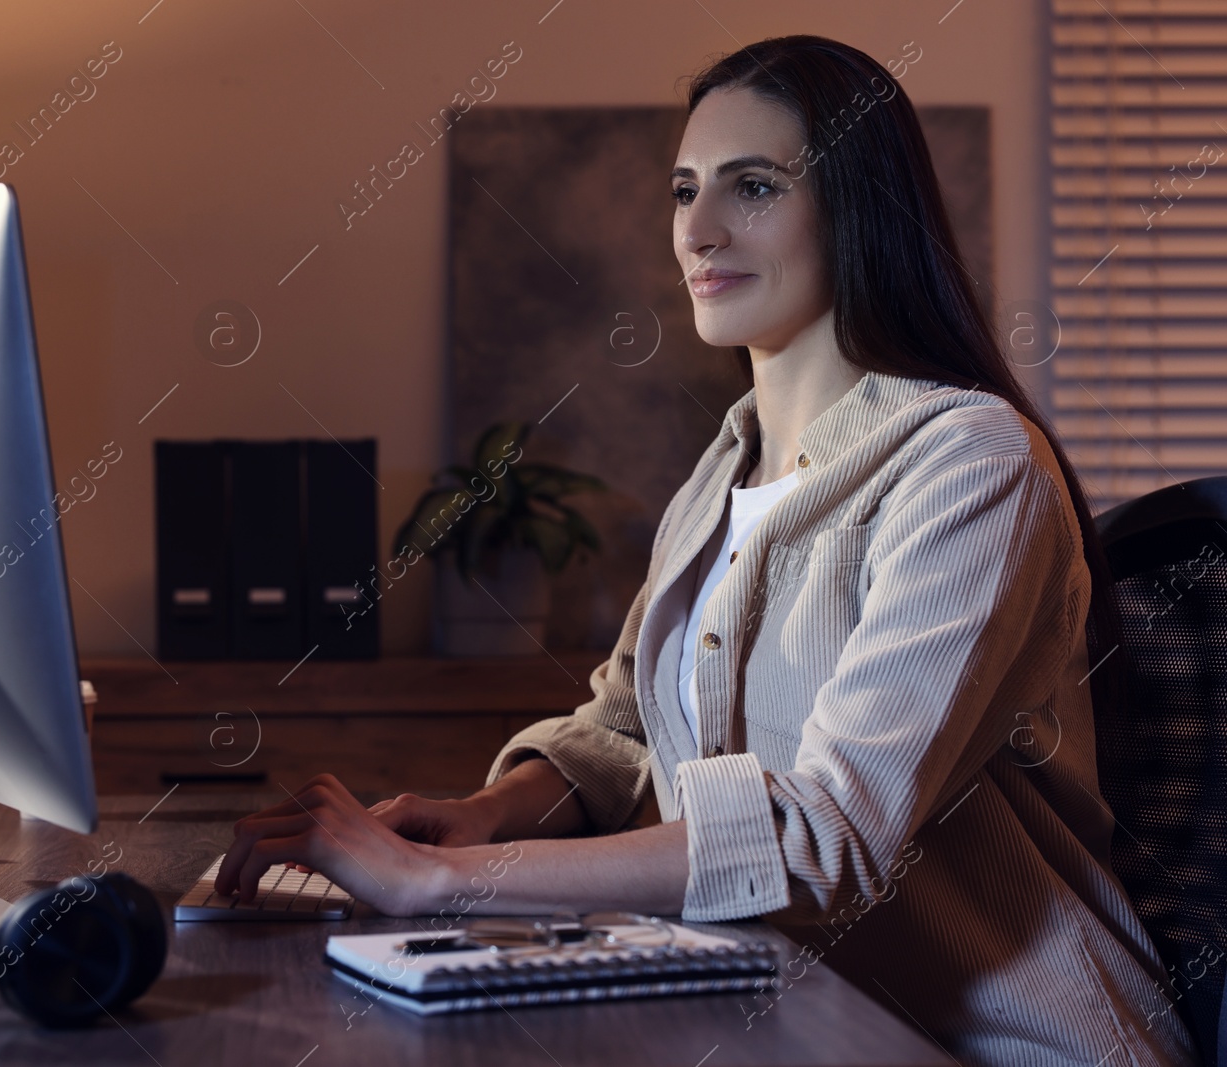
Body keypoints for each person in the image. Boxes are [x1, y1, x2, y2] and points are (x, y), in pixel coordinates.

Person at [216, 35, 1198, 1067]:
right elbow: (624, 722)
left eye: (754, 186)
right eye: (685, 188)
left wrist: (445, 882)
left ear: (859, 208)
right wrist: (481, 813)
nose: (697, 227)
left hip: (994, 1042)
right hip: (762, 1014)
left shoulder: (971, 463)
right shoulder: (722, 468)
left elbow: (826, 840)